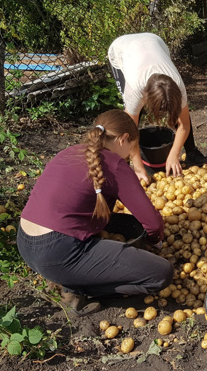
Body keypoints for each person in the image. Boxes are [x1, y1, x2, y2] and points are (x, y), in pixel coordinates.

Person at [17, 109, 173, 316]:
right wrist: (154, 241)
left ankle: (65, 275)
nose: (130, 154)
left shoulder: (69, 151)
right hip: (57, 251)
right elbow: (152, 222)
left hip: (26, 244)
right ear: (123, 139)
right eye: (132, 148)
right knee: (161, 274)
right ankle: (75, 287)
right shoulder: (115, 165)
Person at [108, 33, 206, 181]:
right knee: (131, 117)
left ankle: (192, 152)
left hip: (154, 42)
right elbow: (130, 131)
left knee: (178, 113)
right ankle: (127, 161)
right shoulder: (135, 89)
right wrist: (139, 168)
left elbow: (184, 123)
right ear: (147, 99)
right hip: (122, 49)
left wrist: (174, 154)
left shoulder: (178, 87)